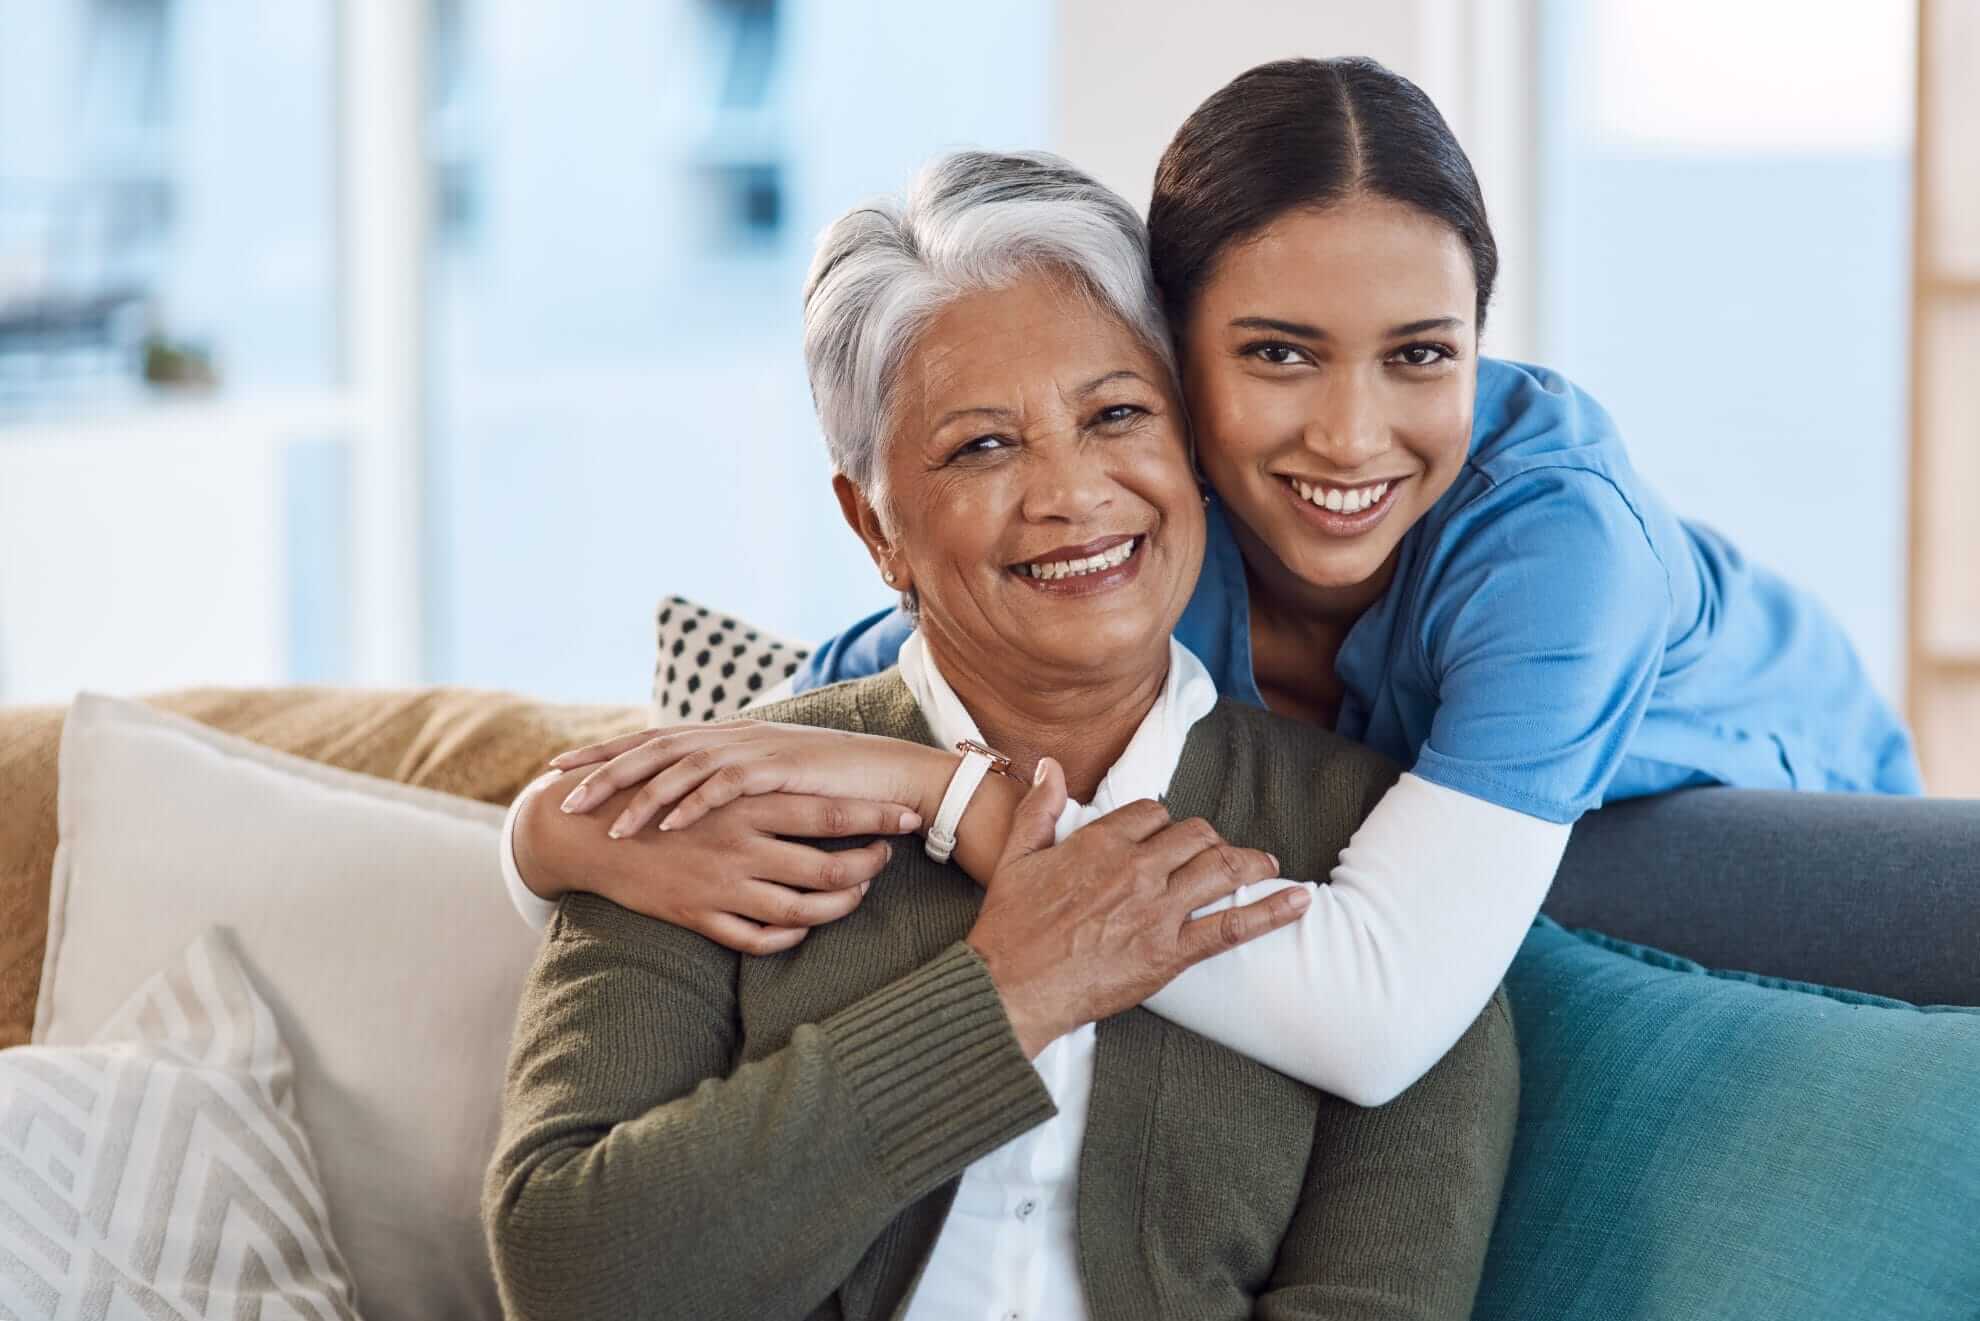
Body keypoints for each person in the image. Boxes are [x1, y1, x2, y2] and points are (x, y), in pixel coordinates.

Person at [541, 55, 1919, 1102]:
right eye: (1277, 354)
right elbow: (807, 718)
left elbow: (1372, 1019)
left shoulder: (1554, 545)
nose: (1351, 435)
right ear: (1172, 360)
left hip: (1772, 853)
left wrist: (943, 798)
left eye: (1423, 354)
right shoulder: (1147, 528)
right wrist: (542, 840)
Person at [486, 150, 1518, 1321]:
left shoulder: (1375, 862)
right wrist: (1005, 991)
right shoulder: (719, 798)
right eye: (983, 446)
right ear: (875, 525)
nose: (1071, 496)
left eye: (1117, 415)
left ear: (1192, 443)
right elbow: (568, 1275)